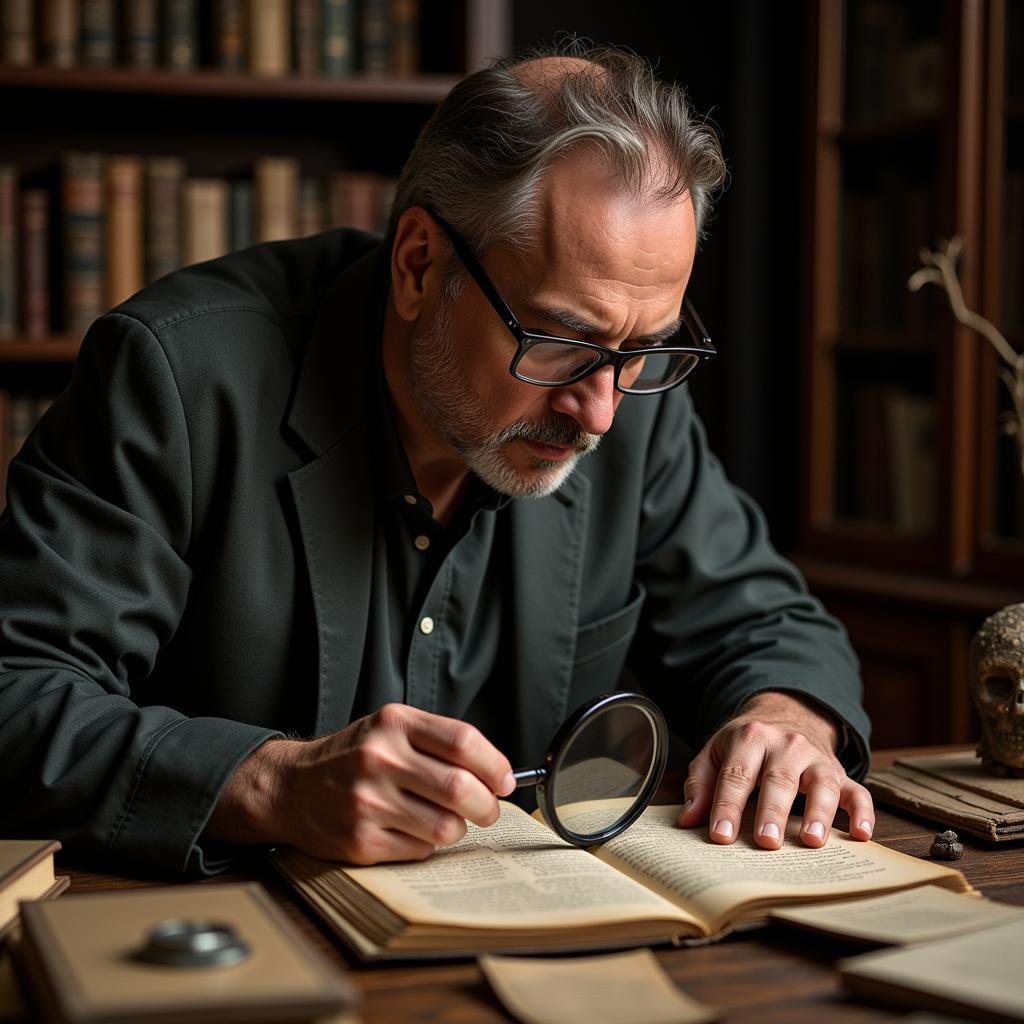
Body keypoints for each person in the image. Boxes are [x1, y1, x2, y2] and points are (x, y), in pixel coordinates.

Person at [0, 46, 873, 875]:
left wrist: (785, 717)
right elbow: (18, 696)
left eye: (644, 347)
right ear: (419, 265)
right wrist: (269, 782)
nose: (599, 410)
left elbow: (769, 625)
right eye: (556, 339)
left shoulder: (629, 402)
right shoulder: (179, 377)